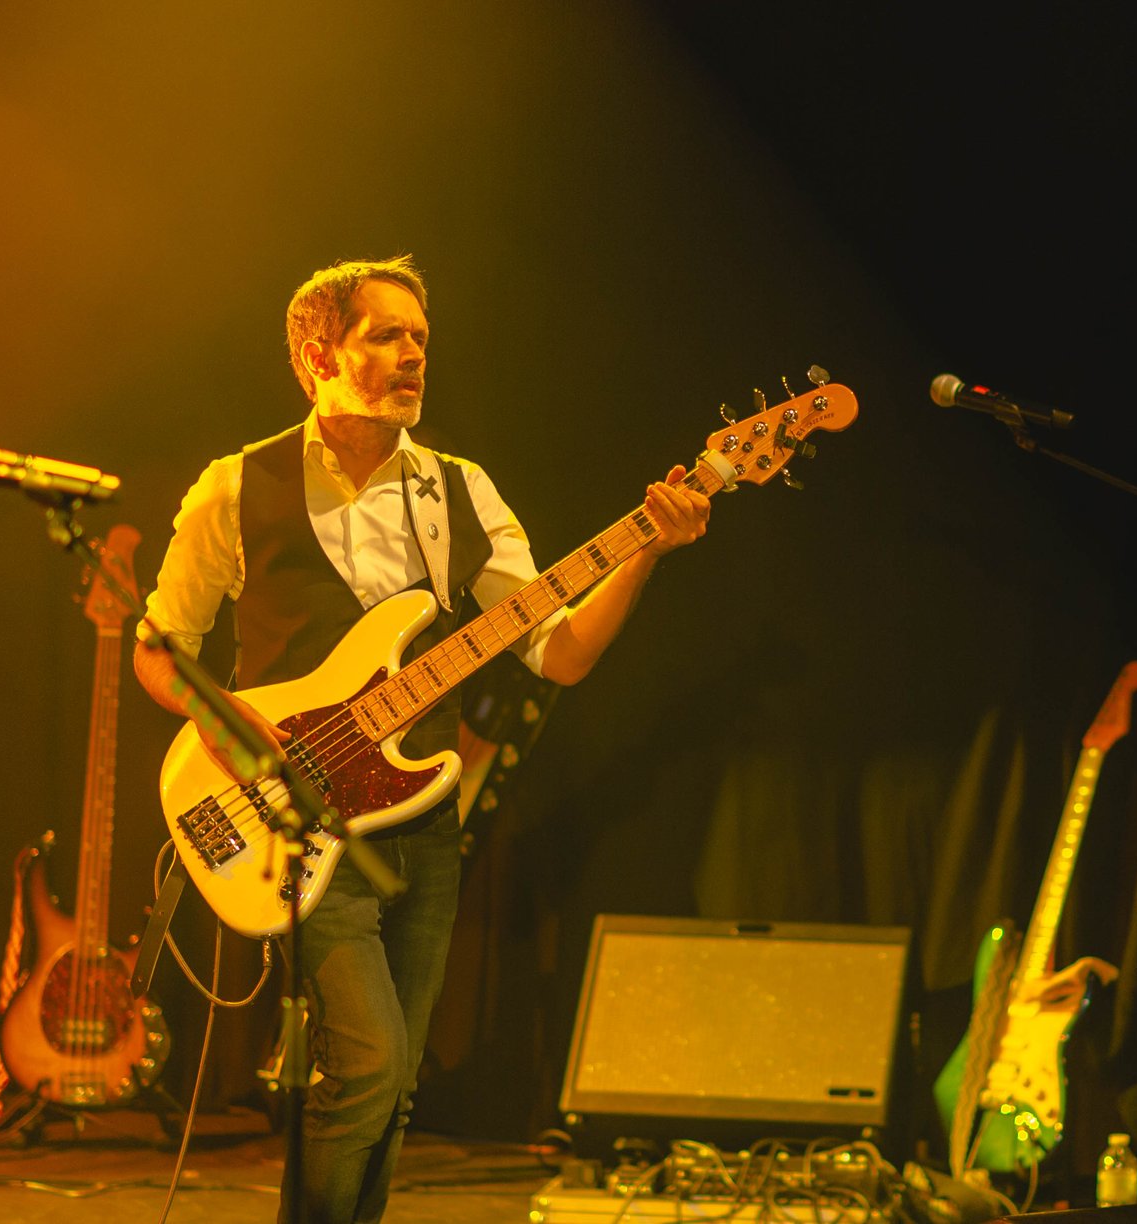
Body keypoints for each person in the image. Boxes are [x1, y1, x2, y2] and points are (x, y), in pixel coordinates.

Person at [131, 255, 709, 1223]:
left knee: (392, 1089)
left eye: (420, 340)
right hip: (290, 822)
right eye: (385, 336)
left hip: (416, 822)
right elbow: (161, 650)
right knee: (367, 1064)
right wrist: (232, 724)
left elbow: (555, 654)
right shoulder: (236, 486)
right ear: (319, 355)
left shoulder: (459, 493)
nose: (412, 357)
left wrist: (645, 546)